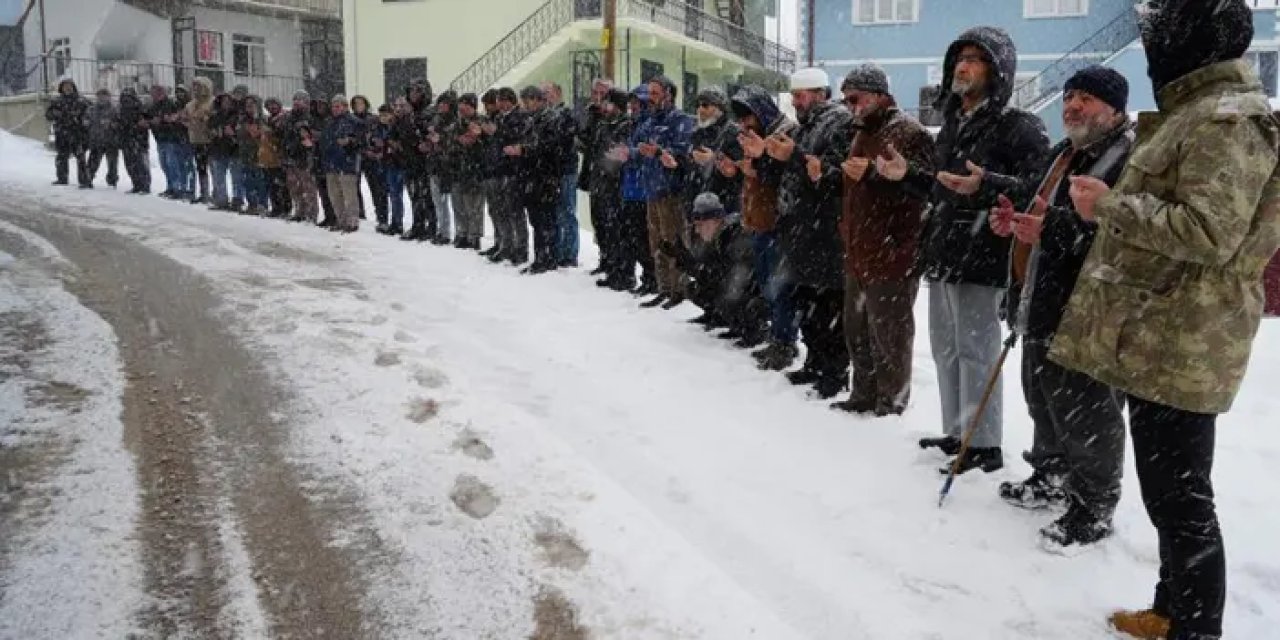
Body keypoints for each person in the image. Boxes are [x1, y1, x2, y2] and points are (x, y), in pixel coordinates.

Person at [1050, 2, 1280, 637]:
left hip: (1189, 340)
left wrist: (1113, 205)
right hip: (1162, 334)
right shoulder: (1196, 112)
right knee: (1167, 490)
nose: (1153, 47)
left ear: (1190, 40)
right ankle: (1171, 608)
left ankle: (1196, 629)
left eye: (1161, 34)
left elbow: (1211, 232)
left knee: (1182, 499)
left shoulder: (1228, 120)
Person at [875, 26, 1050, 474]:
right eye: (960, 58)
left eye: (975, 59)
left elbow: (1041, 186)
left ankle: (984, 443)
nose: (962, 66)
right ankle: (957, 431)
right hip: (943, 252)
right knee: (946, 349)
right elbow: (941, 187)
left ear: (998, 71)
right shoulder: (951, 127)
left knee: (977, 351)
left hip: (983, 254)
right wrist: (907, 176)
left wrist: (987, 184)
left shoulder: (1019, 127)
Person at [982, 65, 1136, 552]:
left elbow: (1121, 235)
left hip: (1091, 306)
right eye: (1069, 95)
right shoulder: (1064, 154)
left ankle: (1093, 505)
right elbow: (1042, 211)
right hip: (1042, 295)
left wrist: (1052, 230)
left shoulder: (1127, 158)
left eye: (1086, 98)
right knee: (1043, 395)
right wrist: (1014, 221)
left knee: (1089, 409)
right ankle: (1050, 475)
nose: (1072, 105)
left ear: (1114, 108)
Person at [828, 65, 936, 416]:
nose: (849, 106)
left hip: (892, 252)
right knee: (856, 330)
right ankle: (863, 393)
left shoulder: (909, 133)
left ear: (877, 95)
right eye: (845, 100)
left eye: (855, 99)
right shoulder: (860, 132)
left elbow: (922, 191)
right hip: (859, 250)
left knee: (890, 334)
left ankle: (891, 402)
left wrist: (876, 177)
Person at [767, 67, 854, 399]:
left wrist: (795, 156)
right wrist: (776, 158)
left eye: (800, 96)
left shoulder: (839, 123)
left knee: (828, 307)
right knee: (808, 304)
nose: (795, 102)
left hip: (825, 232)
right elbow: (799, 170)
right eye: (793, 96)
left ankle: (833, 372)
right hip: (802, 230)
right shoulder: (805, 126)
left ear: (819, 93)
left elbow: (829, 174)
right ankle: (815, 363)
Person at [730, 86, 799, 357]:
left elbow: (785, 177)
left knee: (780, 289)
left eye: (748, 116)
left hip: (778, 224)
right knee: (767, 286)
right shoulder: (755, 136)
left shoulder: (783, 134)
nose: (745, 123)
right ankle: (777, 337)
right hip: (758, 222)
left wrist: (759, 163)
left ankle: (786, 342)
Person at [662, 192, 767, 343]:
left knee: (727, 296)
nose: (697, 231)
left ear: (716, 220)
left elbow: (730, 276)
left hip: (757, 294)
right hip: (743, 288)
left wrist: (693, 266)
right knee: (695, 288)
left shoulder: (735, 237)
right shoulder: (717, 237)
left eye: (700, 225)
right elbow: (707, 271)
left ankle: (753, 330)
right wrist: (683, 259)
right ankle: (723, 319)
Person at [630, 75, 694, 309]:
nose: (651, 98)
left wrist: (658, 152)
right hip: (651, 189)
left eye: (655, 93)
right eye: (649, 94)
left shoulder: (680, 120)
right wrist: (637, 152)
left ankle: (679, 289)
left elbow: (682, 151)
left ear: (669, 94)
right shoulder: (648, 122)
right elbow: (636, 147)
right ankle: (663, 288)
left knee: (674, 240)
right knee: (656, 241)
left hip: (671, 190)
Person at [507, 85, 564, 274]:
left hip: (546, 176)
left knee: (545, 219)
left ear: (539, 100)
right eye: (524, 101)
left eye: (528, 100)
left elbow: (548, 147)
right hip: (531, 175)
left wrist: (524, 150)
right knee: (536, 219)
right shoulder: (530, 119)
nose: (525, 104)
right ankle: (541, 256)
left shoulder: (550, 119)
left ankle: (548, 257)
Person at [587, 88, 636, 291]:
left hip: (616, 183)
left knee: (618, 230)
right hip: (601, 181)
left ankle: (624, 273)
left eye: (608, 103)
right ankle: (610, 266)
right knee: (604, 228)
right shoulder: (603, 123)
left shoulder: (625, 125)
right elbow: (591, 145)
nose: (604, 107)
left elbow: (615, 151)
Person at [484, 87, 529, 263]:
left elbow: (516, 138)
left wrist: (497, 132)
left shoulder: (520, 117)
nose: (500, 104)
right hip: (499, 169)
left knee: (516, 212)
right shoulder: (500, 118)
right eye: (499, 101)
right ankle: (506, 245)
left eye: (503, 100)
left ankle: (521, 248)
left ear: (511, 100)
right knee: (501, 210)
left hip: (513, 170)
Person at [623, 85, 657, 295]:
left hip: (644, 188)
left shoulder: (650, 123)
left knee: (645, 237)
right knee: (634, 236)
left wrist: (631, 153)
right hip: (631, 186)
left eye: (637, 102)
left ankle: (652, 279)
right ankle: (647, 277)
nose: (632, 106)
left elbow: (648, 152)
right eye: (631, 103)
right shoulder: (634, 124)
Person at [542, 81, 581, 267]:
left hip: (566, 169)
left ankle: (570, 253)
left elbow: (564, 140)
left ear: (558, 93)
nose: (545, 96)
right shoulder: (544, 115)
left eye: (547, 92)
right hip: (551, 169)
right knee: (555, 212)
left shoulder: (568, 114)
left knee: (568, 211)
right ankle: (557, 251)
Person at [578, 78, 615, 274]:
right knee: (597, 220)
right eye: (596, 93)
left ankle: (613, 263)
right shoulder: (590, 113)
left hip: (609, 176)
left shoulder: (614, 117)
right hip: (593, 173)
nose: (599, 98)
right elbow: (584, 139)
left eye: (604, 94)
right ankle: (603, 259)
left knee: (610, 223)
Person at [400, 80, 437, 241]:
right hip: (410, 160)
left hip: (425, 162)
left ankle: (432, 226)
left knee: (427, 196)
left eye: (417, 92)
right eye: (411, 92)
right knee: (414, 195)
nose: (413, 95)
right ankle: (418, 224)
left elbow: (430, 135)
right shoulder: (410, 114)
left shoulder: (429, 113)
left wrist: (426, 143)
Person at [321, 95, 364, 233]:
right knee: (334, 194)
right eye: (333, 106)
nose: (335, 109)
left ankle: (352, 221)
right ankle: (341, 220)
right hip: (331, 162)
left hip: (347, 162)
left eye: (338, 106)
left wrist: (350, 142)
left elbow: (361, 141)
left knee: (349, 194)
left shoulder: (354, 121)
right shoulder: (329, 122)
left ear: (345, 107)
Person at [452, 93, 488, 250]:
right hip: (459, 167)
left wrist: (475, 139)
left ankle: (475, 236)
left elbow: (484, 142)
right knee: (459, 204)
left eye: (465, 106)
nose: (462, 109)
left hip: (476, 168)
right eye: (460, 106)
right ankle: (463, 233)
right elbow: (451, 140)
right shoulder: (457, 123)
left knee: (475, 206)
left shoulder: (480, 122)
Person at [281, 90, 320, 224]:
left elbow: (314, 136)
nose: (297, 102)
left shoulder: (310, 117)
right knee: (294, 187)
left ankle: (311, 214)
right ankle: (299, 211)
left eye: (301, 100)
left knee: (308, 187)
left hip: (305, 156)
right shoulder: (288, 117)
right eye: (295, 99)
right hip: (290, 155)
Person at [45, 78, 91, 188]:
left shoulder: (81, 100)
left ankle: (84, 180)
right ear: (61, 88)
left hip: (77, 133)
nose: (67, 88)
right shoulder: (57, 101)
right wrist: (55, 113)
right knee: (61, 156)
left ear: (73, 87)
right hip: (61, 133)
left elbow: (90, 112)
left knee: (80, 157)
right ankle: (62, 178)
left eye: (69, 85)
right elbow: (48, 115)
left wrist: (83, 119)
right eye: (65, 86)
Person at [429, 90, 459, 245]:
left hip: (450, 166)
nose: (441, 106)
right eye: (440, 103)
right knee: (438, 201)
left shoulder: (455, 121)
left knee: (453, 202)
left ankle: (450, 232)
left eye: (445, 104)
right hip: (436, 164)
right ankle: (443, 230)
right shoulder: (436, 119)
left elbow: (454, 143)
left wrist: (440, 141)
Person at [147, 85, 188, 199]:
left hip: (171, 138)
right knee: (164, 164)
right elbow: (149, 118)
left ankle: (176, 187)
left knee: (172, 164)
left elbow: (175, 118)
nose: (155, 96)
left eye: (157, 93)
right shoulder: (153, 106)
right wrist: (152, 121)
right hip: (160, 138)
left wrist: (165, 120)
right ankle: (170, 186)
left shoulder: (169, 104)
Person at [183, 77, 215, 204]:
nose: (196, 89)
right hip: (195, 139)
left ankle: (216, 192)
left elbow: (212, 118)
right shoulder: (190, 105)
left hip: (209, 140)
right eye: (194, 86)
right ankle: (204, 192)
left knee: (213, 168)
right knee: (201, 168)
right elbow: (186, 119)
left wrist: (204, 119)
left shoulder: (212, 102)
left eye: (199, 86)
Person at [260, 97, 292, 218]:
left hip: (279, 157)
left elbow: (282, 136)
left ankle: (285, 208)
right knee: (272, 186)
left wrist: (272, 133)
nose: (272, 108)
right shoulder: (268, 120)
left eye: (274, 105)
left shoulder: (284, 119)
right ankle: (276, 207)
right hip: (268, 158)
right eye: (269, 106)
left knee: (282, 185)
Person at [364, 103, 394, 231]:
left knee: (393, 195)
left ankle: (395, 221)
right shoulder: (375, 128)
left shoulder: (393, 128)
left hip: (391, 164)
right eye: (381, 115)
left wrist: (385, 150)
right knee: (379, 194)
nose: (383, 117)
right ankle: (382, 219)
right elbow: (368, 143)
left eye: (386, 115)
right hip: (376, 165)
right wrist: (370, 151)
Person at [207, 93, 239, 211]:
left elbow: (238, 131)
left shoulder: (236, 116)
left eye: (228, 101)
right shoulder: (215, 115)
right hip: (218, 148)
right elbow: (210, 129)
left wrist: (232, 133)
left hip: (233, 149)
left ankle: (237, 199)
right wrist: (215, 132)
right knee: (218, 176)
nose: (226, 103)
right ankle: (221, 200)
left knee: (236, 177)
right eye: (224, 101)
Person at [116, 87, 151, 194]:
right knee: (130, 164)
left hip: (138, 139)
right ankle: (136, 184)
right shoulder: (120, 109)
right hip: (126, 139)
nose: (127, 100)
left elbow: (146, 122)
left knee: (140, 163)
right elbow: (119, 124)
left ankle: (144, 186)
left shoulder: (140, 108)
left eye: (129, 97)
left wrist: (137, 126)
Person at [237, 95, 268, 216]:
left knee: (260, 181)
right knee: (248, 180)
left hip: (259, 154)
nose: (249, 107)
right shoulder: (243, 120)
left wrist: (257, 131)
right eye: (247, 105)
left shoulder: (263, 119)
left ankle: (262, 204)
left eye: (252, 104)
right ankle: (252, 203)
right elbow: (238, 133)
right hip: (246, 153)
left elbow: (264, 134)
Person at [84, 88, 120, 189]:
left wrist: (112, 124)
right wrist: (86, 123)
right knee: (93, 162)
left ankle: (112, 181)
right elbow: (86, 120)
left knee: (112, 163)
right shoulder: (92, 109)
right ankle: (88, 179)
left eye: (105, 96)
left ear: (109, 97)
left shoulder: (114, 109)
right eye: (100, 96)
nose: (102, 98)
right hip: (96, 140)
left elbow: (119, 123)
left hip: (111, 140)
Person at [311, 97, 338, 226]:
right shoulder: (314, 119)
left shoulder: (331, 120)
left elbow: (331, 137)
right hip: (317, 157)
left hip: (328, 158)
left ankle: (334, 216)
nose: (320, 107)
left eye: (322, 105)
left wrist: (319, 136)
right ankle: (328, 215)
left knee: (331, 190)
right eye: (318, 105)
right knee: (322, 191)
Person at [350, 95, 376, 222]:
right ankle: (360, 212)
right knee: (355, 186)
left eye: (361, 103)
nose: (358, 106)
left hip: (370, 157)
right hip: (356, 155)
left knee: (375, 186)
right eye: (356, 104)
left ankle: (380, 214)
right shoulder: (351, 119)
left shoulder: (372, 119)